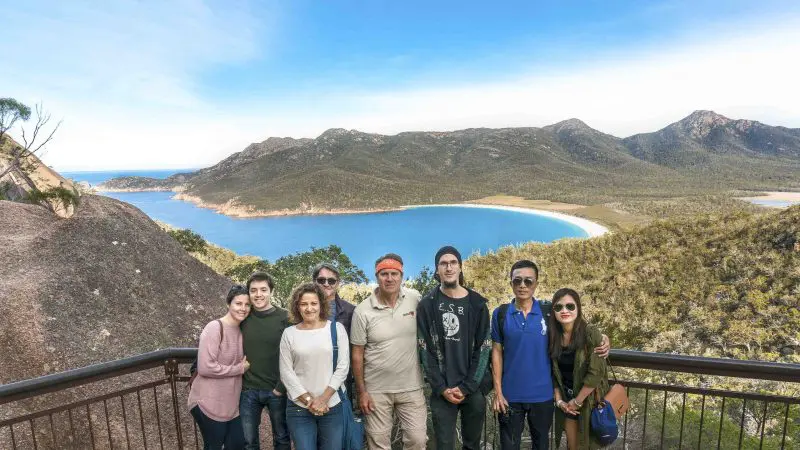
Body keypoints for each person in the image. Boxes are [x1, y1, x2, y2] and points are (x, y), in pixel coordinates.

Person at [491, 260, 610, 450]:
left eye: (528, 281)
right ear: (511, 283)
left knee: (541, 445)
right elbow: (496, 352)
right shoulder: (500, 314)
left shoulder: (548, 312)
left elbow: (576, 325)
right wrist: (498, 392)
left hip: (543, 396)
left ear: (536, 283)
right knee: (508, 446)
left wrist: (602, 338)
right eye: (517, 281)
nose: (523, 285)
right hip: (510, 396)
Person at [417, 246, 492, 450]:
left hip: (472, 390)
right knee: (444, 445)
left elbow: (484, 349)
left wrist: (467, 387)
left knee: (472, 445)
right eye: (443, 263)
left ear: (460, 268)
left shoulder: (477, 305)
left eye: (453, 263)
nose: (448, 267)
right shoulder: (427, 305)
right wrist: (441, 388)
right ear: (437, 270)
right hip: (442, 390)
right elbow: (424, 350)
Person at [351, 253, 427, 450]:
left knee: (418, 441)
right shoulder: (363, 311)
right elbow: (357, 354)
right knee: (378, 444)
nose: (390, 278)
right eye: (384, 274)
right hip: (376, 390)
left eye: (394, 273)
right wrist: (362, 392)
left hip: (411, 387)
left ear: (401, 276)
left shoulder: (414, 298)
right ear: (377, 277)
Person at [279, 283, 349, 450]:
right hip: (299, 408)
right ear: (297, 307)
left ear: (321, 305)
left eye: (313, 303)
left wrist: (323, 399)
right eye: (304, 304)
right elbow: (286, 372)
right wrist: (310, 401)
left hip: (333, 405)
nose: (309, 308)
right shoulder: (289, 334)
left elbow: (343, 367)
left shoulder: (336, 329)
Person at [188, 284, 252, 450]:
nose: (243, 308)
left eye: (247, 305)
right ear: (228, 304)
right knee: (214, 446)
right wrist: (239, 369)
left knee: (237, 445)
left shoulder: (241, 330)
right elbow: (205, 367)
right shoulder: (215, 327)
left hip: (230, 406)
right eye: (238, 303)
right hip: (207, 402)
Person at [550, 288, 610, 450]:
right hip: (568, 403)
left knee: (588, 445)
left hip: (589, 402)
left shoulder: (590, 334)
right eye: (558, 307)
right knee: (573, 446)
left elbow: (595, 373)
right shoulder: (553, 337)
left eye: (570, 306)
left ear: (578, 308)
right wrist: (560, 401)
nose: (564, 311)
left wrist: (578, 401)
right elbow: (554, 374)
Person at [239, 272, 291, 450]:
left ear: (271, 291)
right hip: (248, 390)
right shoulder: (243, 316)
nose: (258, 294)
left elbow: (295, 353)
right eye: (253, 290)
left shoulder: (285, 317)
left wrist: (281, 388)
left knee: (282, 438)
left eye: (263, 290)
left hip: (277, 389)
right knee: (248, 441)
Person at [313, 263, 356, 335]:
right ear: (314, 281)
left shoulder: (351, 311)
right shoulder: (302, 307)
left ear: (338, 283)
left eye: (331, 281)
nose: (326, 284)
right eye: (321, 280)